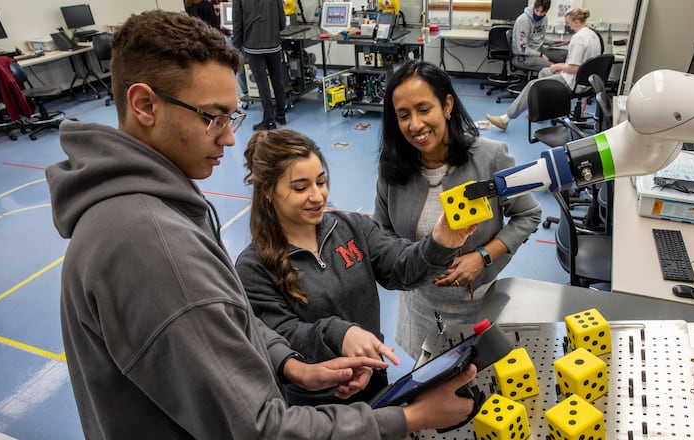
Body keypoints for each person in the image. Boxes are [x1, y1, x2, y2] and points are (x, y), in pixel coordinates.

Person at [45, 10, 477, 439]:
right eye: (213, 116)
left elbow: (242, 331)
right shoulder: (151, 245)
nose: (231, 137)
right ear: (144, 105)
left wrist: (292, 368)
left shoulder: (158, 213)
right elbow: (260, 428)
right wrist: (411, 418)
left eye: (231, 117)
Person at [235, 129, 477, 406]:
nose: (317, 196)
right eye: (301, 187)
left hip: (372, 376)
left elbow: (401, 265)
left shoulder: (351, 228)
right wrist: (339, 334)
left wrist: (440, 242)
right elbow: (281, 334)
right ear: (267, 190)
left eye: (321, 182)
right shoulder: (253, 267)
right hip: (318, 400)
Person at [374, 60, 542, 360]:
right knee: (427, 379)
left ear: (447, 104)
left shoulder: (490, 157)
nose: (415, 125)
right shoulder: (392, 168)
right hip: (419, 304)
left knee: (475, 378)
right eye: (403, 115)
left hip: (476, 303)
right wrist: (416, 261)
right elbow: (381, 233)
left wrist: (483, 256)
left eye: (424, 109)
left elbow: (527, 215)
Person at [487, 8, 601, 131]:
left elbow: (574, 68)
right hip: (587, 81)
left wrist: (558, 66)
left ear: (577, 22)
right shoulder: (592, 35)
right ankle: (539, 111)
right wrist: (557, 67)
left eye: (568, 23)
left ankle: (505, 119)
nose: (568, 26)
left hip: (574, 82)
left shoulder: (578, 39)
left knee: (533, 85)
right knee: (545, 72)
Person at [233, 0, 287, 130]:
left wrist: (237, 44)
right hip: (273, 45)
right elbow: (282, 22)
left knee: (262, 84)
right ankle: (281, 114)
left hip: (253, 46)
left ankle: (269, 121)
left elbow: (237, 22)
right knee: (277, 80)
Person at [511, 0, 563, 73]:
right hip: (523, 56)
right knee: (556, 69)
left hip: (538, 49)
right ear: (534, 7)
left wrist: (553, 42)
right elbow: (522, 48)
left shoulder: (544, 19)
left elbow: (539, 37)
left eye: (542, 12)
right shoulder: (524, 20)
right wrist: (540, 55)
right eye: (537, 10)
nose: (539, 14)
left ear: (546, 11)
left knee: (565, 55)